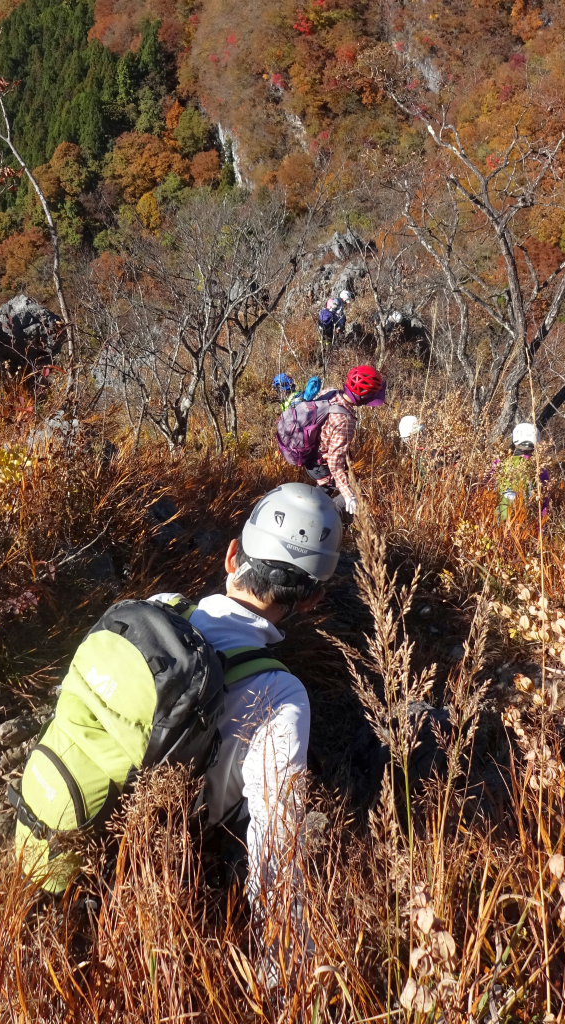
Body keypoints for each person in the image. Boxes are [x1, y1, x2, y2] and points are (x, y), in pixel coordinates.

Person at [151, 483, 342, 974]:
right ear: (312, 599)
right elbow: (276, 837)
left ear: (232, 555)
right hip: (163, 865)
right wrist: (283, 976)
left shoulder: (157, 608)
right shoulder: (280, 693)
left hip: (63, 808)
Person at [305, 364, 385, 514]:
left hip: (310, 456)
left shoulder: (330, 392)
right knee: (351, 495)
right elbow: (335, 464)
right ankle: (323, 520)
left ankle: (311, 508)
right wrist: (349, 495)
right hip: (321, 466)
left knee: (322, 491)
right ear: (365, 397)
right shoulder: (345, 421)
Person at [494, 422, 549, 520]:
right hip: (525, 524)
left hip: (497, 521)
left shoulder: (498, 463)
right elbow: (544, 504)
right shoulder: (540, 470)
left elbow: (483, 487)